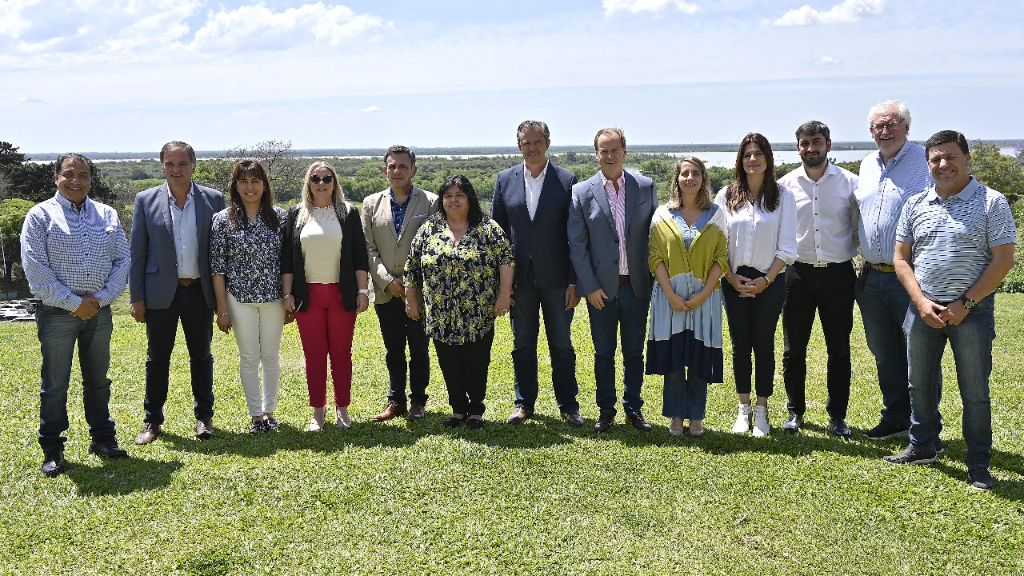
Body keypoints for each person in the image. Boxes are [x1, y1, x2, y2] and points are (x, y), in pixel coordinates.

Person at [884, 130, 1016, 492]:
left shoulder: (992, 202)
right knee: (919, 384)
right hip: (923, 311)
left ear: (967, 159)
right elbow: (901, 258)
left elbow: (1004, 260)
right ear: (928, 164)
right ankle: (923, 443)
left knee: (974, 391)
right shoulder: (916, 203)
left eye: (950, 157)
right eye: (935, 159)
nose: (943, 165)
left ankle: (978, 464)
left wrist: (966, 303)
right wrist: (921, 302)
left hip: (971, 314)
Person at [20, 153, 131, 477]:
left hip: (99, 311)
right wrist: (74, 303)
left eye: (83, 174)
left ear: (90, 180)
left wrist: (99, 299)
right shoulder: (40, 216)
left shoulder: (107, 215)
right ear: (56, 177)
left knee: (98, 380)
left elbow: (123, 261)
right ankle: (52, 447)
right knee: (55, 384)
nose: (76, 180)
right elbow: (36, 270)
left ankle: (102, 439)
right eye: (69, 173)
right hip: (56, 313)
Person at [854, 100, 942, 444]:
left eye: (891, 124)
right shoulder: (866, 164)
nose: (884, 131)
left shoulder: (925, 161)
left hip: (912, 277)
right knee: (884, 353)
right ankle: (896, 419)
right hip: (871, 277)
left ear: (906, 127)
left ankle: (926, 427)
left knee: (920, 355)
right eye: (878, 126)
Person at [130, 141, 225, 444]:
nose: (176, 169)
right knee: (157, 358)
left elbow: (223, 252)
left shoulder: (214, 199)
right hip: (160, 295)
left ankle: (204, 418)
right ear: (162, 167)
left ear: (193, 166)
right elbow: (138, 254)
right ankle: (152, 421)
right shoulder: (145, 201)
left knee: (202, 356)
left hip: (199, 292)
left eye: (182, 163)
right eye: (170, 164)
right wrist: (136, 297)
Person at [491, 120, 583, 428]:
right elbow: (498, 235)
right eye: (526, 142)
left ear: (548, 143)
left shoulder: (567, 180)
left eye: (537, 141)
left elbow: (575, 236)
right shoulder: (505, 180)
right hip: (520, 280)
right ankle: (524, 403)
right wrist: (502, 284)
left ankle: (569, 405)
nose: (532, 147)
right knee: (523, 346)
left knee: (562, 346)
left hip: (558, 280)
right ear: (518, 145)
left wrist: (574, 281)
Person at [404, 175, 513, 430]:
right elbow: (412, 266)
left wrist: (504, 294)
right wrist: (411, 299)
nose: (454, 201)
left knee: (476, 362)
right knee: (449, 363)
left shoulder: (487, 228)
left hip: (478, 311)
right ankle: (457, 410)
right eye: (448, 196)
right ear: (442, 200)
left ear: (469, 199)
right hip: (440, 313)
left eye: (459, 195)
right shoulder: (429, 228)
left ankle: (475, 410)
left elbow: (506, 260)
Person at [568, 128, 658, 433]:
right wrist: (590, 287)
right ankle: (606, 410)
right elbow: (577, 245)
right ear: (596, 154)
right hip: (600, 291)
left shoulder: (645, 187)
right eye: (603, 151)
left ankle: (634, 408)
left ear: (624, 152)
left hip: (636, 287)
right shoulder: (581, 192)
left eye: (615, 149)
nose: (609, 156)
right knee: (603, 353)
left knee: (634, 353)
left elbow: (655, 237)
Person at [778, 121, 860, 438]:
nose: (811, 148)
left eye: (817, 142)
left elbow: (857, 227)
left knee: (839, 349)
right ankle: (795, 412)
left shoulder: (850, 183)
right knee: (793, 350)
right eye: (804, 143)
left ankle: (837, 417)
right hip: (797, 274)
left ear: (828, 144)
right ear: (797, 146)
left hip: (839, 274)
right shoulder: (784, 186)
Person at [714, 133, 797, 437]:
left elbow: (787, 247)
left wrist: (766, 280)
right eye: (747, 154)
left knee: (763, 345)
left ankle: (762, 410)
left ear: (767, 158)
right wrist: (730, 277)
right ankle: (743, 409)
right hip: (733, 280)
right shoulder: (726, 195)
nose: (753, 159)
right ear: (740, 159)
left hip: (769, 280)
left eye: (758, 153)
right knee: (740, 346)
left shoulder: (783, 196)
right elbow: (717, 242)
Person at [282, 161, 370, 432]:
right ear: (308, 183)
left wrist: (363, 290)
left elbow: (359, 256)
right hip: (307, 295)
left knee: (342, 353)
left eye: (327, 178)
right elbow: (287, 258)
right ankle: (317, 413)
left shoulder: (347, 212)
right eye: (316, 178)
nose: (321, 183)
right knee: (315, 355)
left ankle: (342, 409)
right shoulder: (296, 213)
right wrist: (287, 294)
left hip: (341, 293)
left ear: (335, 182)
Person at [646, 157, 728, 437]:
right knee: (673, 357)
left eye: (695, 173)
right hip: (669, 299)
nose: (690, 178)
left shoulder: (717, 214)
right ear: (676, 179)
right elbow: (655, 256)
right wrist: (670, 294)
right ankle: (675, 416)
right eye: (684, 173)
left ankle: (696, 417)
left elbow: (721, 258)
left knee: (699, 357)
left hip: (705, 299)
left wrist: (705, 293)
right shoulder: (662, 215)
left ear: (704, 179)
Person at [361, 145, 439, 423]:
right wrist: (387, 281)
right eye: (392, 166)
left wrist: (410, 286)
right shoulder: (371, 204)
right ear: (384, 171)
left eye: (403, 166)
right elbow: (369, 249)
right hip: (385, 292)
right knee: (393, 349)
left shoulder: (430, 202)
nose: (397, 171)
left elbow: (434, 246)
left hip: (418, 292)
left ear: (414, 171)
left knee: (419, 348)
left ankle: (418, 401)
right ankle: (396, 401)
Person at [210, 160, 289, 434]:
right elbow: (217, 267)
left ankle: (269, 413)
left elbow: (287, 261)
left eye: (255, 180)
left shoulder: (280, 217)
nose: (250, 187)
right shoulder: (222, 220)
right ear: (235, 186)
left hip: (273, 298)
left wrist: (289, 297)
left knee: (270, 355)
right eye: (243, 181)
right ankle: (255, 416)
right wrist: (222, 308)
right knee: (248, 356)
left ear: (265, 185)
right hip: (238, 299)